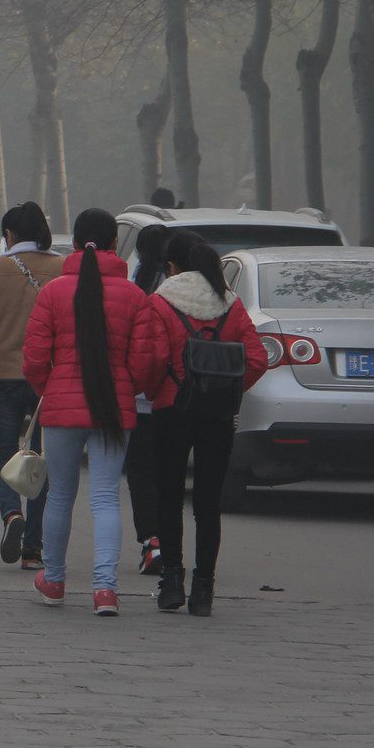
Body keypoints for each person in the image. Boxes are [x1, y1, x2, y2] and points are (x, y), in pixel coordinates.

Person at [23, 208, 162, 616]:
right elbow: (144, 362)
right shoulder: (134, 296)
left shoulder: (52, 292)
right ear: (114, 244)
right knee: (105, 497)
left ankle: (54, 580)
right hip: (113, 409)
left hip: (62, 409)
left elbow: (33, 358)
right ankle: (105, 590)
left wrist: (48, 390)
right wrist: (127, 387)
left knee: (60, 496)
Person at [136, 229, 269, 617]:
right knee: (208, 505)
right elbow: (258, 359)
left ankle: (171, 582)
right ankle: (204, 590)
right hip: (217, 416)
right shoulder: (231, 304)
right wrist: (226, 387)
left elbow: (151, 361)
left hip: (170, 411)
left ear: (172, 266)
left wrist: (153, 387)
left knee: (169, 498)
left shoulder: (161, 303)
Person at [0, 201, 65, 572]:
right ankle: (34, 550)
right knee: (40, 462)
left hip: (5, 376)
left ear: (9, 235)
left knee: (2, 455)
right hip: (48, 380)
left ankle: (10, 516)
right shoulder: (64, 269)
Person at [123, 222, 174, 576]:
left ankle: (151, 541)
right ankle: (172, 543)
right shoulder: (177, 291)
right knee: (170, 474)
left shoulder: (134, 288)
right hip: (172, 398)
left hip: (139, 399)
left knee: (141, 474)